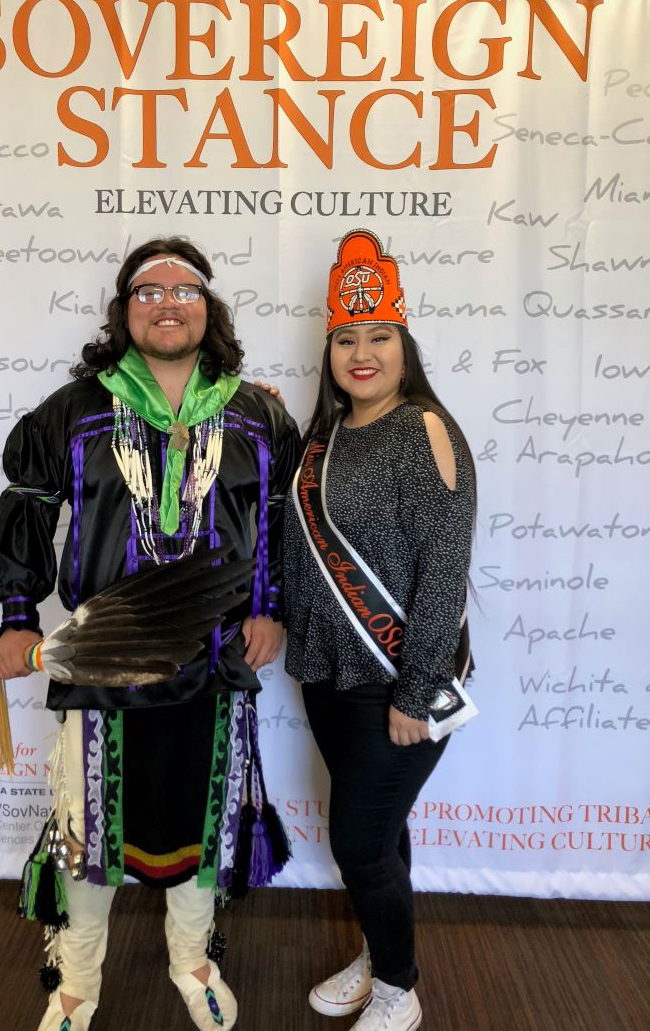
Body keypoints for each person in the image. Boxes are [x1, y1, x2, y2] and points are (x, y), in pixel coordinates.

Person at [0, 236, 301, 1031]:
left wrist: (270, 608)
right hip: (103, 653)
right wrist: (19, 618)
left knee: (202, 811)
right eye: (148, 290)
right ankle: (77, 977)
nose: (168, 301)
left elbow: (276, 524)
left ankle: (192, 959)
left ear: (209, 307)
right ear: (124, 311)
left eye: (185, 288)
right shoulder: (77, 407)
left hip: (215, 652)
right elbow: (27, 507)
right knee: (89, 821)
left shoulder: (255, 411)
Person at [283, 229, 476, 1031]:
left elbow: (445, 571)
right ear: (331, 350)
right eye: (347, 338)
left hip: (399, 681)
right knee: (377, 835)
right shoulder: (322, 435)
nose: (363, 353)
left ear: (405, 347)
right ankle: (378, 952)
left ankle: (400, 985)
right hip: (328, 676)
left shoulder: (423, 427)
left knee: (359, 844)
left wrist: (418, 688)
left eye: (380, 337)